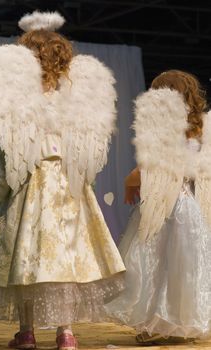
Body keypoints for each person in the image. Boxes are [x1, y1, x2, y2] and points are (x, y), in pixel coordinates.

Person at [0, 10, 125, 350]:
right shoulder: (75, 98)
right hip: (68, 185)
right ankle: (66, 332)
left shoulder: (19, 100)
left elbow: (8, 150)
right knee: (67, 258)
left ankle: (27, 333)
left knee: (27, 260)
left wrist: (4, 187)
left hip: (31, 182)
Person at [106, 70, 211, 345]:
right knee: (180, 268)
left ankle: (163, 325)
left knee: (160, 267)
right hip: (187, 206)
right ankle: (173, 323)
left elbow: (146, 171)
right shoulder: (197, 132)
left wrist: (130, 182)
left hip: (167, 207)